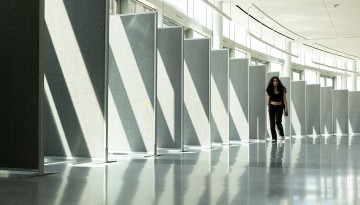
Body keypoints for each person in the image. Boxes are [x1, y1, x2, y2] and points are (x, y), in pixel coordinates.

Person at [266, 76, 288, 142]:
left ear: (278, 82)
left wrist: (286, 108)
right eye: (274, 81)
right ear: (272, 82)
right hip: (272, 106)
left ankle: (281, 134)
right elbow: (269, 98)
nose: (275, 82)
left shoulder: (282, 89)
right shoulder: (270, 89)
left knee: (278, 122)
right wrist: (268, 106)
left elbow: (284, 99)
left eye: (276, 81)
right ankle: (274, 138)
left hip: (279, 107)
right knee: (272, 123)